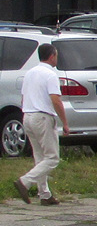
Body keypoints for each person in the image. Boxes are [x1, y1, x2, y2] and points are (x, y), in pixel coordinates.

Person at [14, 44, 69, 206]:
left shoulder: (29, 73)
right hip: (43, 117)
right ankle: (25, 181)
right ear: (52, 56)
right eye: (56, 55)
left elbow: (24, 97)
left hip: (28, 116)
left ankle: (44, 194)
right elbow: (56, 100)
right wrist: (65, 123)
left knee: (40, 157)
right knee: (52, 158)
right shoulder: (50, 75)